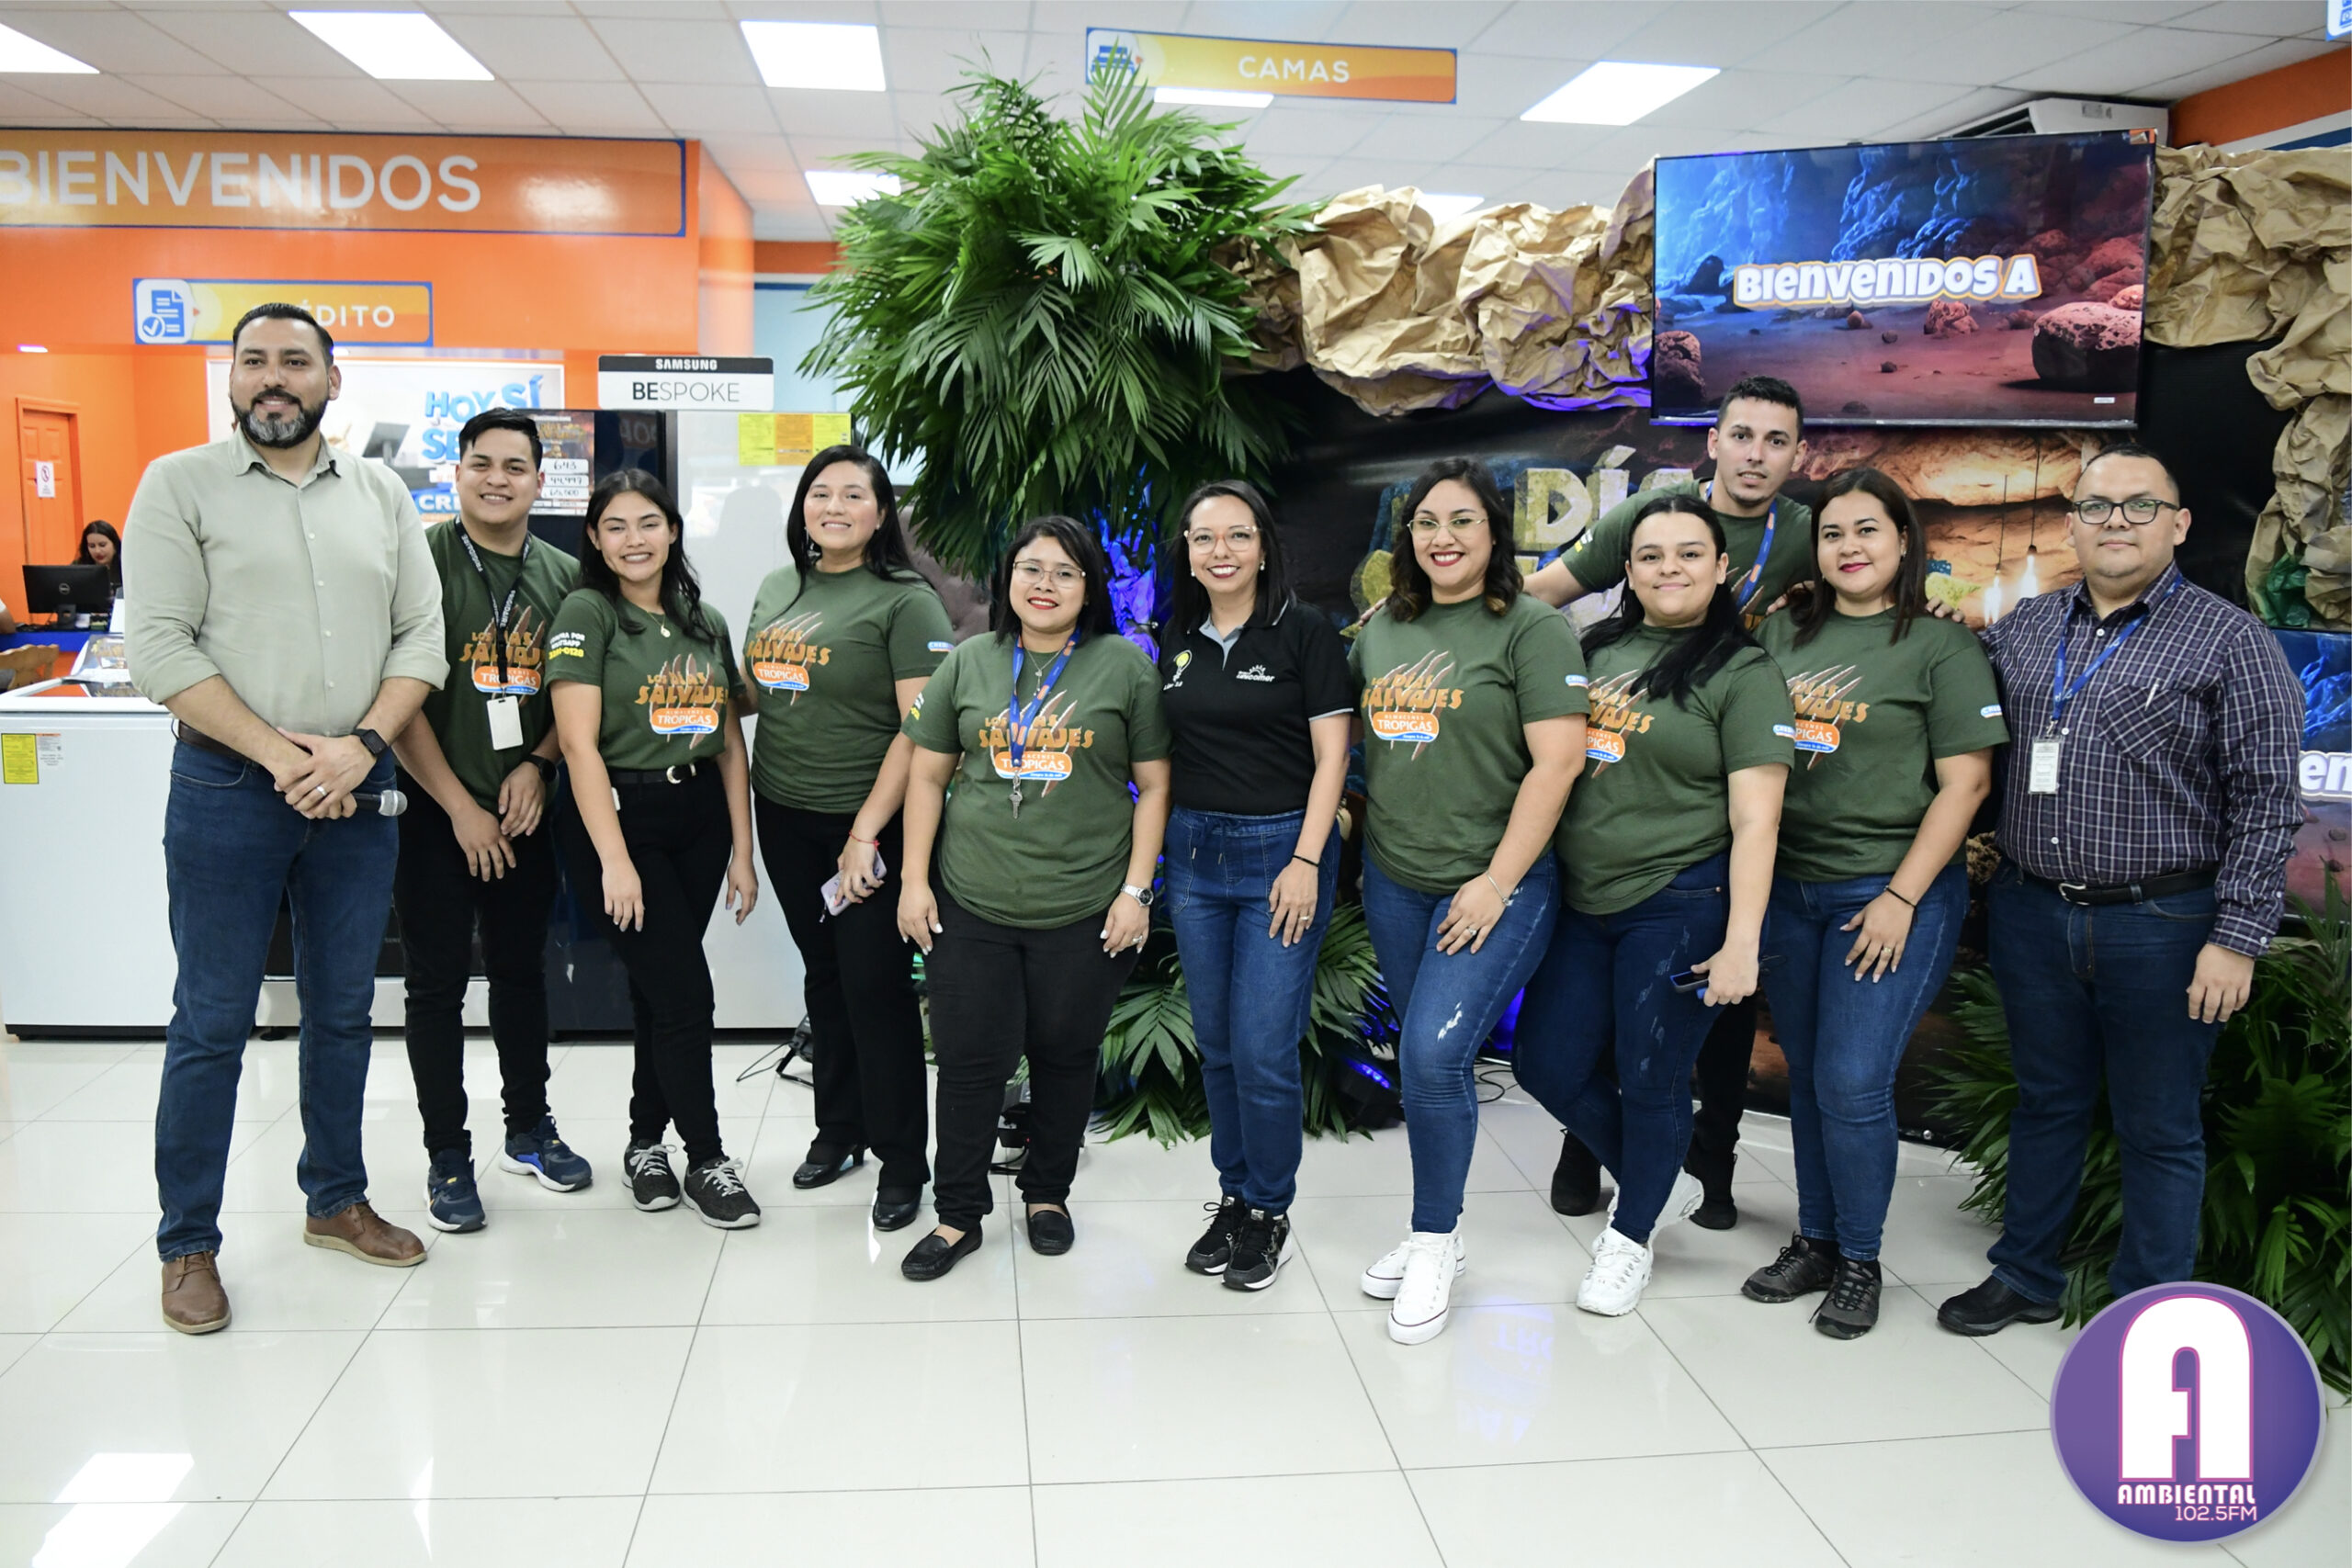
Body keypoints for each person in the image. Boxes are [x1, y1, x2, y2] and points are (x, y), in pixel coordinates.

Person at [125, 301, 447, 1334]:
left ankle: (335, 1199)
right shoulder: (178, 485)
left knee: (343, 1010)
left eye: (296, 362)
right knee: (212, 1022)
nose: (274, 377)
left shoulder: (381, 493)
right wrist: (283, 756)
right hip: (228, 787)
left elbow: (422, 637)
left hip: (358, 786)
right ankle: (187, 1243)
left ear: (331, 381)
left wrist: (358, 747)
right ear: (231, 379)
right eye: (255, 360)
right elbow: (159, 648)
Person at [1938, 443, 2302, 1336]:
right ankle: (2025, 1274)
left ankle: (2150, 1311)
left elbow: (2267, 800)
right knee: (2046, 1102)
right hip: (2032, 909)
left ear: (2179, 524)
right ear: (2071, 525)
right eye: (2097, 507)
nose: (2116, 523)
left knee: (2159, 1127)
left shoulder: (2232, 641)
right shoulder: (2025, 629)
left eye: (2141, 506)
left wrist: (2238, 938)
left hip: (2166, 922)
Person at [1527, 375, 1815, 1230]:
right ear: (1713, 441)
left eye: (1776, 441)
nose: (1756, 455)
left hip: (1707, 826)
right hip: (1602, 860)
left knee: (1697, 1038)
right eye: (1742, 435)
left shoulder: (1808, 532)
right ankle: (1608, 1150)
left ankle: (1700, 1170)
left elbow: (1874, 599)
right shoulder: (1641, 526)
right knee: (1587, 1043)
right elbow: (1538, 599)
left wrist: (1743, 939)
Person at [1741, 468, 2006, 1337]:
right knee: (1811, 1075)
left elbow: (1966, 785)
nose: (1849, 547)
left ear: (1902, 540)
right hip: (1790, 891)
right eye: (1832, 533)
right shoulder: (1781, 633)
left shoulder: (1942, 647)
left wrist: (1900, 896)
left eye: (1867, 530)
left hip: (1890, 893)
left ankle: (1859, 1258)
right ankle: (1815, 1241)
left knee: (1853, 1080)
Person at [895, 515, 1171, 1280]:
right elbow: (926, 773)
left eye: (1064, 572)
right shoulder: (969, 662)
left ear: (1089, 587)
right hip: (972, 901)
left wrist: (1136, 890)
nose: (1044, 585)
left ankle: (1048, 1194)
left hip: (1084, 905)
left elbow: (1155, 786)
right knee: (968, 1062)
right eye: (1031, 569)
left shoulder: (1124, 667)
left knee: (1065, 1055)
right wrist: (914, 879)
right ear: (1006, 578)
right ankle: (957, 1215)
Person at [1352, 457, 1588, 1344]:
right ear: (1406, 537)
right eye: (1426, 522)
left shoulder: (1533, 629)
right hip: (1395, 880)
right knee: (1427, 1067)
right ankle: (1435, 1229)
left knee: (1432, 1056)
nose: (1443, 537)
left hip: (1496, 885)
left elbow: (1559, 762)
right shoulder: (1383, 629)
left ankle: (1433, 1239)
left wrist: (1494, 883)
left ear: (1494, 533)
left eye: (1462, 520)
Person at [742, 447, 953, 1234]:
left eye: (853, 494)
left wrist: (866, 831)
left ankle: (902, 1162)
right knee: (824, 976)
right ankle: (839, 1130)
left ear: (880, 512)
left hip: (866, 824)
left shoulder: (906, 601)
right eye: (820, 492)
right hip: (783, 812)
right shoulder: (779, 586)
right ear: (802, 506)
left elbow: (922, 731)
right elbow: (757, 691)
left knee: (875, 987)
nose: (833, 506)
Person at [390, 408, 588, 1235]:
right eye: (481, 464)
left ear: (540, 481)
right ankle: (447, 1155)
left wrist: (540, 764)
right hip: (434, 809)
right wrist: (459, 808)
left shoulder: (566, 576)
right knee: (436, 985)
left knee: (520, 973)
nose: (497, 479)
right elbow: (395, 700)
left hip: (524, 811)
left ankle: (528, 1129)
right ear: (457, 474)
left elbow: (579, 696)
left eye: (515, 466)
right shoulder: (417, 562)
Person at [548, 470, 763, 1230]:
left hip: (699, 816)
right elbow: (577, 744)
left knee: (658, 991)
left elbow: (730, 740)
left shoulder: (705, 619)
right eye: (615, 526)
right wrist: (614, 860)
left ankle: (644, 1144)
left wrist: (743, 850)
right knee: (686, 994)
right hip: (620, 818)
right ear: (595, 539)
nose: (633, 539)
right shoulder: (587, 612)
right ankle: (706, 1156)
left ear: (673, 530)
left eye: (648, 523)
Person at [1160, 480, 1351, 1292]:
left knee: (1265, 1048)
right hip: (1194, 855)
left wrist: (1305, 861)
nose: (1222, 551)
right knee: (1218, 1045)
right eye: (1204, 537)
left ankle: (1270, 1209)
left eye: (1238, 535)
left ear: (1265, 547)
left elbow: (1334, 758)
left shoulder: (1305, 631)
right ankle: (1235, 1194)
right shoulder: (1175, 635)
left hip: (1282, 852)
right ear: (1187, 553)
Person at [76, 520, 124, 593]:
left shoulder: (126, 567)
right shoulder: (78, 568)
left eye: (102, 545)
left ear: (114, 545)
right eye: (92, 546)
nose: (97, 551)